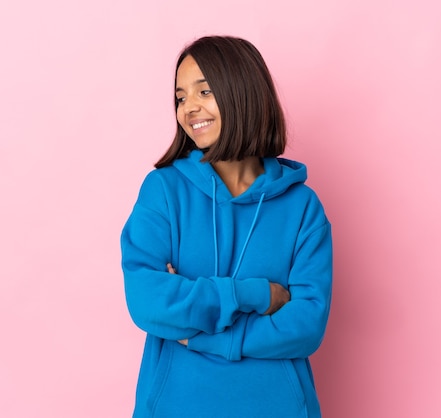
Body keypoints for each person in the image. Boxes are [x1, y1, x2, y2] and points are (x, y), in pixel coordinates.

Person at [121, 35, 333, 418]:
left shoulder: (302, 207)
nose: (189, 109)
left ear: (243, 92)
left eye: (204, 91)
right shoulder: (165, 191)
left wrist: (197, 331)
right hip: (175, 407)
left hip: (277, 408)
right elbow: (148, 301)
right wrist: (259, 296)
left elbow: (306, 326)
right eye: (181, 97)